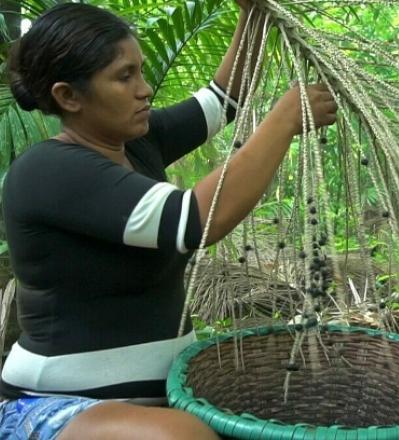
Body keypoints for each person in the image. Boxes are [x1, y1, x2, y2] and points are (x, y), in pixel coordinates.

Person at [0, 2, 337, 439]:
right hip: (56, 409)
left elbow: (222, 100)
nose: (145, 90)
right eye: (125, 77)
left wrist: (253, 14)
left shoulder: (137, 143)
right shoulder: (48, 170)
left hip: (162, 401)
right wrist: (284, 119)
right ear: (69, 96)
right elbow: (194, 220)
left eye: (140, 72)